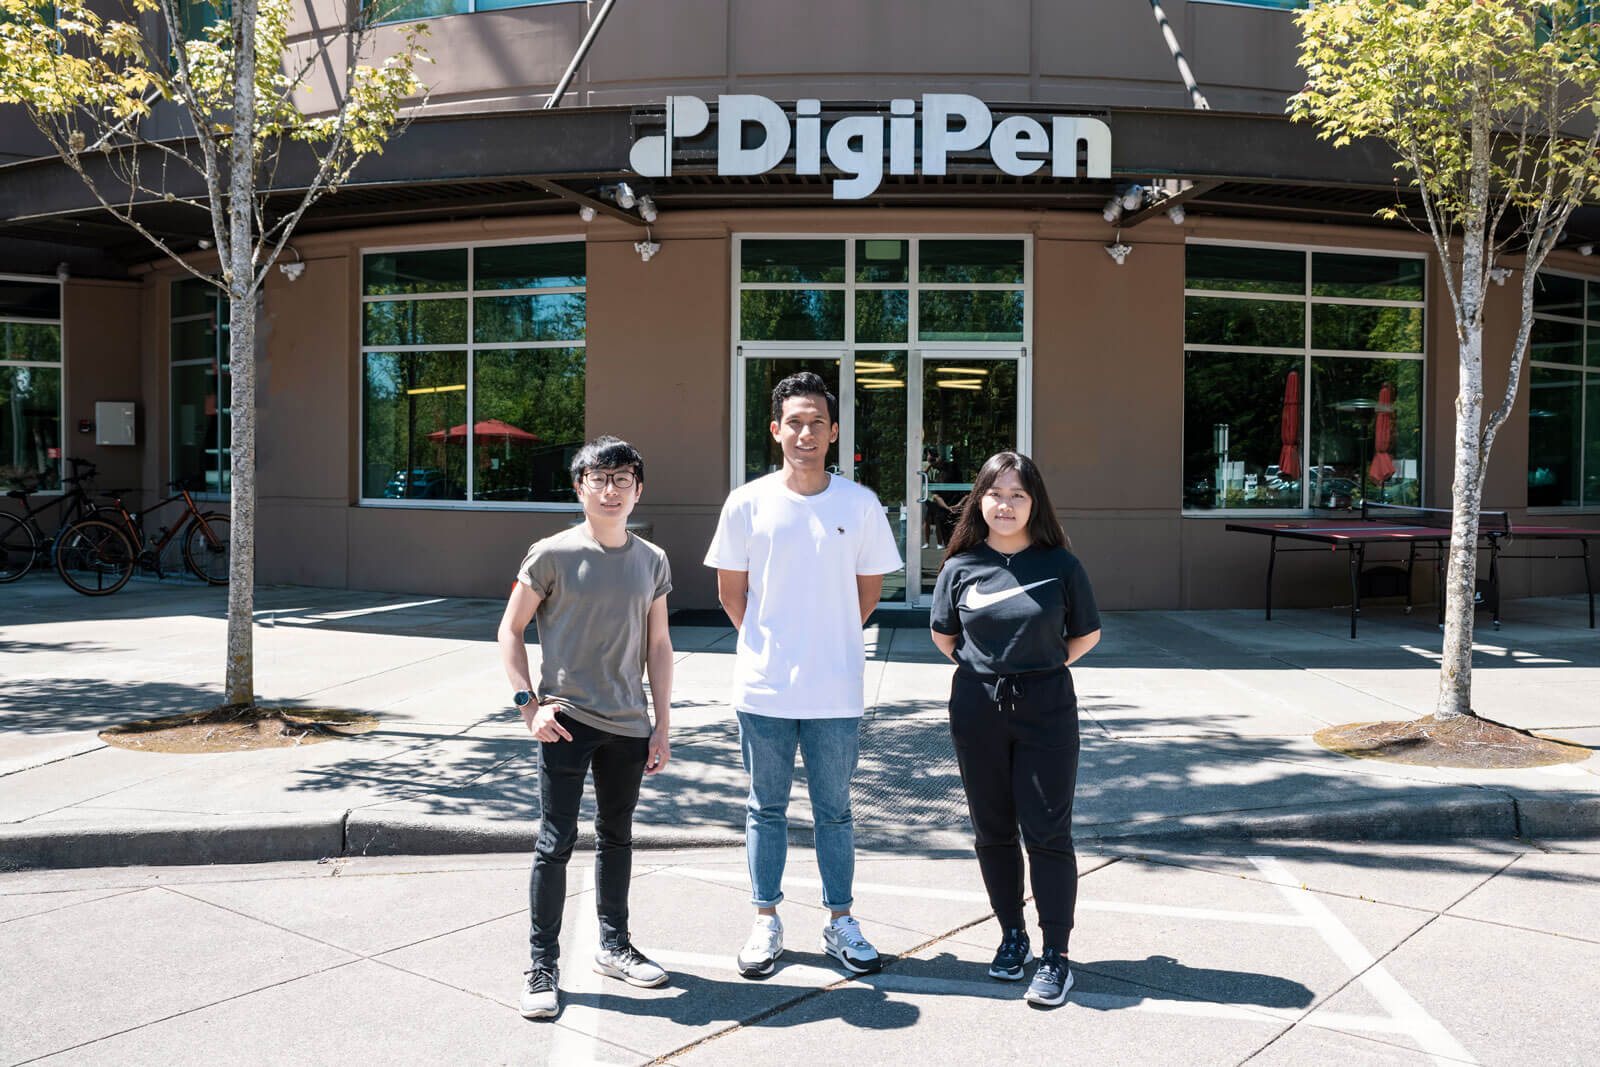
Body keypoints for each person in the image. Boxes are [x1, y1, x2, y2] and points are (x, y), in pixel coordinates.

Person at [705, 371, 903, 979]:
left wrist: (825, 638)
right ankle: (765, 919)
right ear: (775, 430)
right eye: (794, 421)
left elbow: (866, 595)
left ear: (834, 431)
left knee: (835, 811)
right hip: (764, 687)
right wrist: (775, 643)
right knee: (764, 807)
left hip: (837, 689)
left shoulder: (859, 504)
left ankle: (840, 920)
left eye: (817, 421)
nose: (806, 432)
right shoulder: (748, 502)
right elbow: (731, 593)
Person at [497, 435, 675, 1020]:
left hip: (628, 723)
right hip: (566, 720)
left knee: (617, 837)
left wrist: (662, 725)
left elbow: (658, 645)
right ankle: (541, 965)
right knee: (555, 843)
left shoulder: (652, 560)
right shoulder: (549, 553)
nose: (610, 490)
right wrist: (530, 707)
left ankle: (613, 945)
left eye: (622, 479)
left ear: (638, 490)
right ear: (579, 488)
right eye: (598, 479)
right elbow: (510, 630)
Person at [927, 450, 1101, 1008]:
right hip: (977, 707)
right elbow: (945, 638)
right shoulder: (960, 566)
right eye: (996, 493)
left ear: (1035, 503)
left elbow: (1085, 635)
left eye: (1018, 495)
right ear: (979, 499)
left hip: (1047, 706)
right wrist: (990, 671)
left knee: (1048, 831)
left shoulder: (1062, 565)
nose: (1006, 505)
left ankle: (1056, 955)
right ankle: (1011, 936)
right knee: (993, 828)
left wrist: (1038, 670)